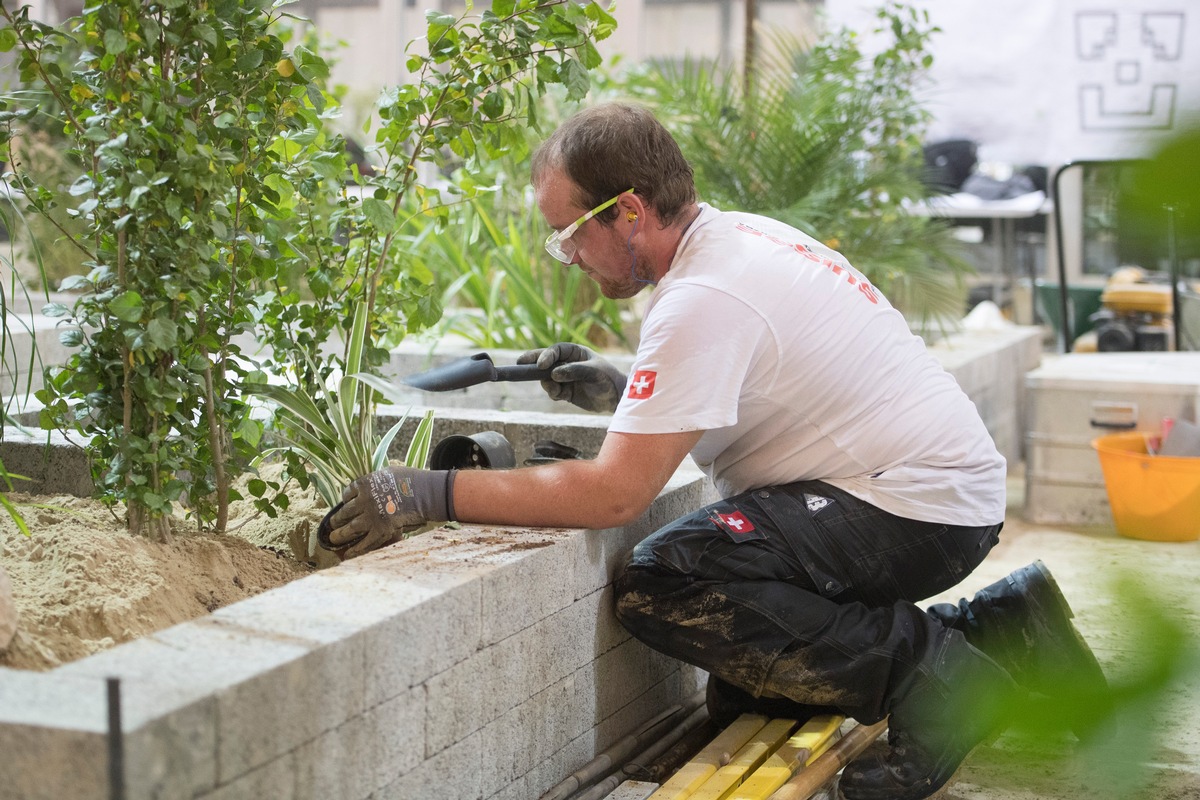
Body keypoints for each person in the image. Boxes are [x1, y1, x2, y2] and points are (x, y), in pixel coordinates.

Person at [321, 102, 1109, 800]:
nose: (569, 258)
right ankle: (1008, 626)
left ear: (627, 211)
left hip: (910, 506)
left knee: (669, 581)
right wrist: (620, 387)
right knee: (750, 695)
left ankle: (936, 677)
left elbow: (613, 497)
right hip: (928, 489)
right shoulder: (736, 241)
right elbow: (741, 377)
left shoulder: (703, 296)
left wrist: (421, 493)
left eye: (569, 236)